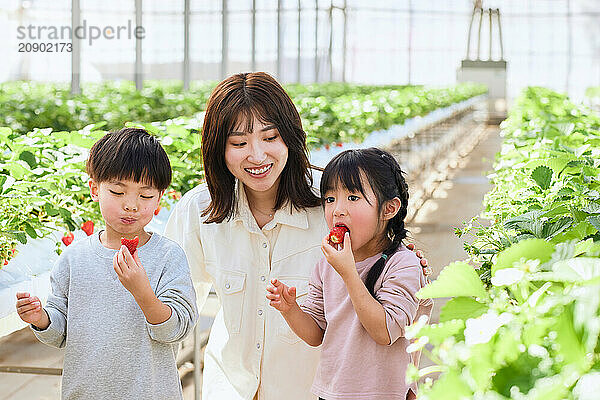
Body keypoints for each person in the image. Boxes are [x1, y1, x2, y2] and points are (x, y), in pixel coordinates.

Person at [163, 72, 429, 400]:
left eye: (270, 137)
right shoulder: (200, 211)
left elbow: (390, 309)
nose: (257, 156)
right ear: (219, 148)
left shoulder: (332, 210)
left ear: (291, 137)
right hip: (229, 388)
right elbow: (171, 310)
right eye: (238, 143)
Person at [15, 128, 198, 400]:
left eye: (145, 196)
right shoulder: (74, 259)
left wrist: (142, 292)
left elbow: (176, 330)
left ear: (160, 198)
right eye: (117, 192)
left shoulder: (168, 256)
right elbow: (59, 333)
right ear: (94, 189)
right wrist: (40, 319)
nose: (131, 205)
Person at [267, 148, 433, 400]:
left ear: (389, 209)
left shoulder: (404, 264)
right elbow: (316, 334)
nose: (337, 210)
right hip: (332, 393)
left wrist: (348, 274)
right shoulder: (326, 264)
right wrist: (290, 310)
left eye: (353, 198)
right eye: (330, 199)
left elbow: (385, 332)